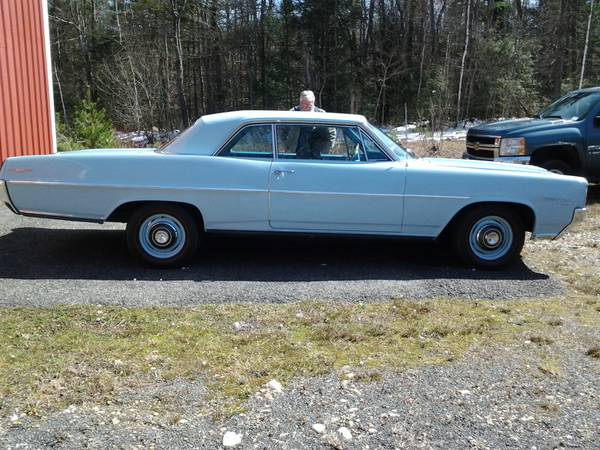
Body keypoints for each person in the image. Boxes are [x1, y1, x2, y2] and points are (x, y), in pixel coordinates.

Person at [288, 90, 335, 159]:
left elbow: (331, 133)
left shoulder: (321, 114)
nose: (308, 106)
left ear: (314, 102)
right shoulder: (292, 113)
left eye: (310, 103)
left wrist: (325, 150)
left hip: (317, 155)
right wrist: (288, 145)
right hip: (296, 154)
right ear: (300, 103)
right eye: (305, 104)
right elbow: (281, 129)